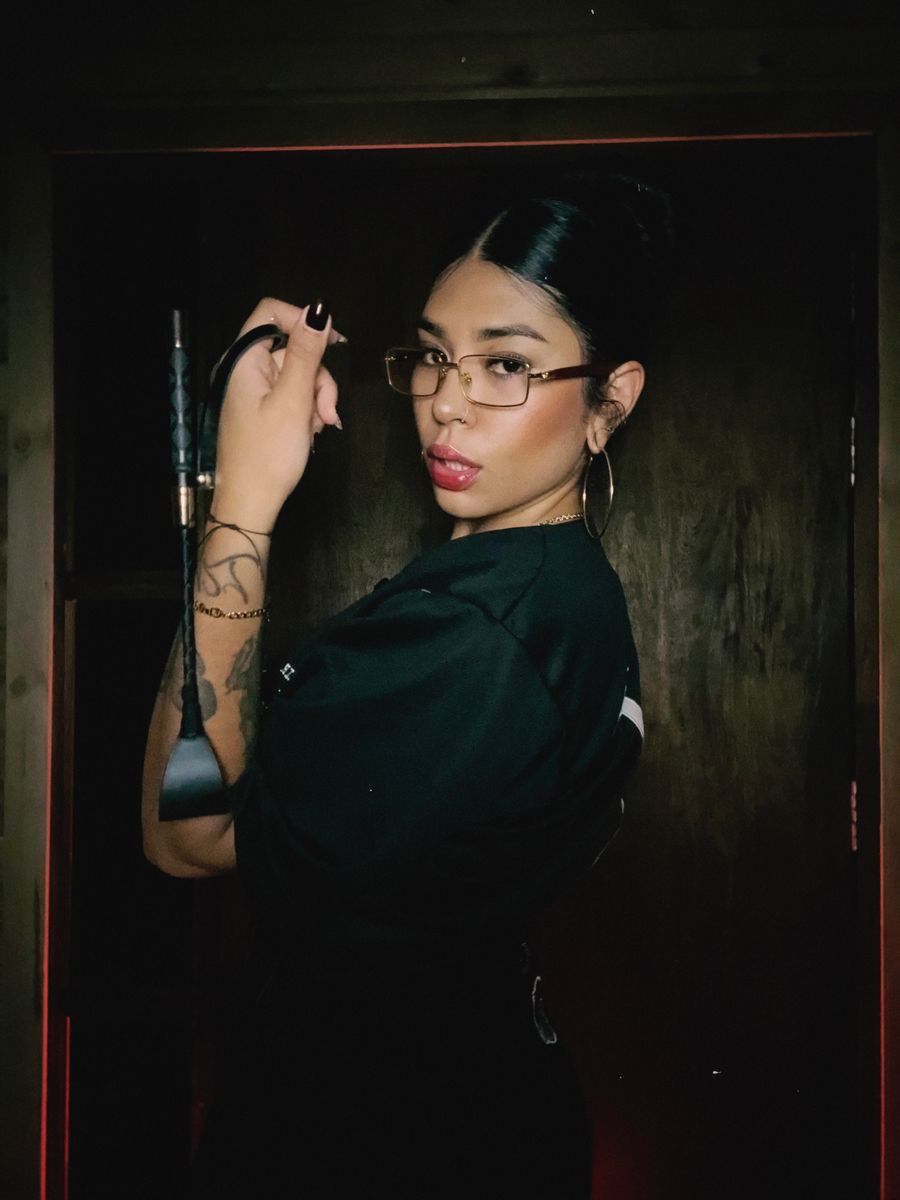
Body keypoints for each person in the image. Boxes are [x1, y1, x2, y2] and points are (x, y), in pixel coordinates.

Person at [142, 174, 673, 1199]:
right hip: (458, 1103)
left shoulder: (480, 634)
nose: (446, 401)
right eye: (433, 355)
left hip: (385, 1136)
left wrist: (242, 498)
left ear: (610, 401)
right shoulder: (553, 592)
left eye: (506, 363)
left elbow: (186, 834)